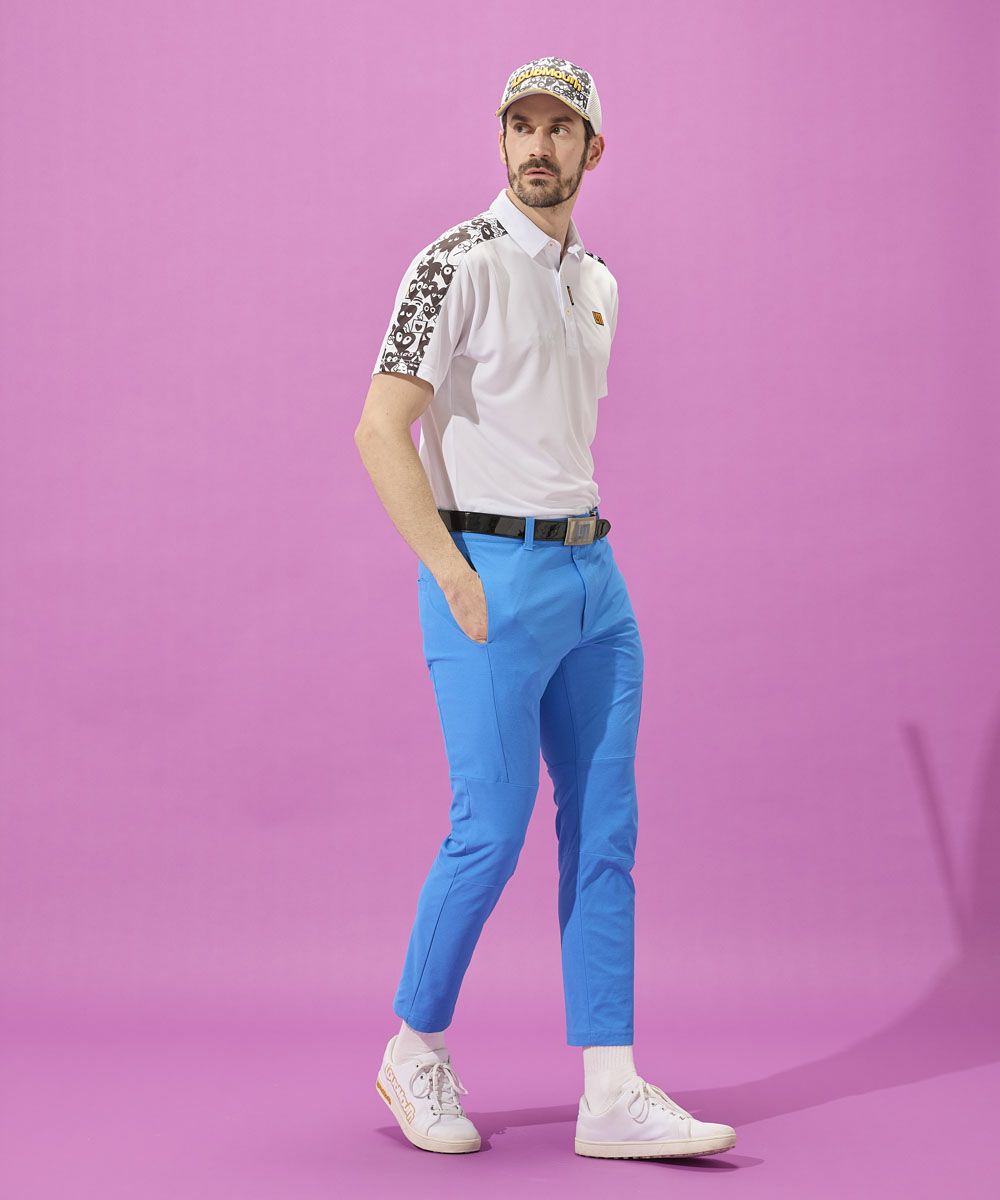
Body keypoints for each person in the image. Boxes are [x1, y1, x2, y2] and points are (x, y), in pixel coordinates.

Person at [355, 55, 737, 1160]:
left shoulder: (599, 281)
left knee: (605, 829)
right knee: (490, 827)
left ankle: (610, 1092)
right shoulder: (454, 263)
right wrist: (450, 571)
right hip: (488, 573)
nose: (536, 145)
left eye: (558, 129)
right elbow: (380, 427)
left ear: (590, 150)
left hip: (591, 580)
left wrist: (580, 575)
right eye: (520, 126)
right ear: (501, 141)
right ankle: (414, 1049)